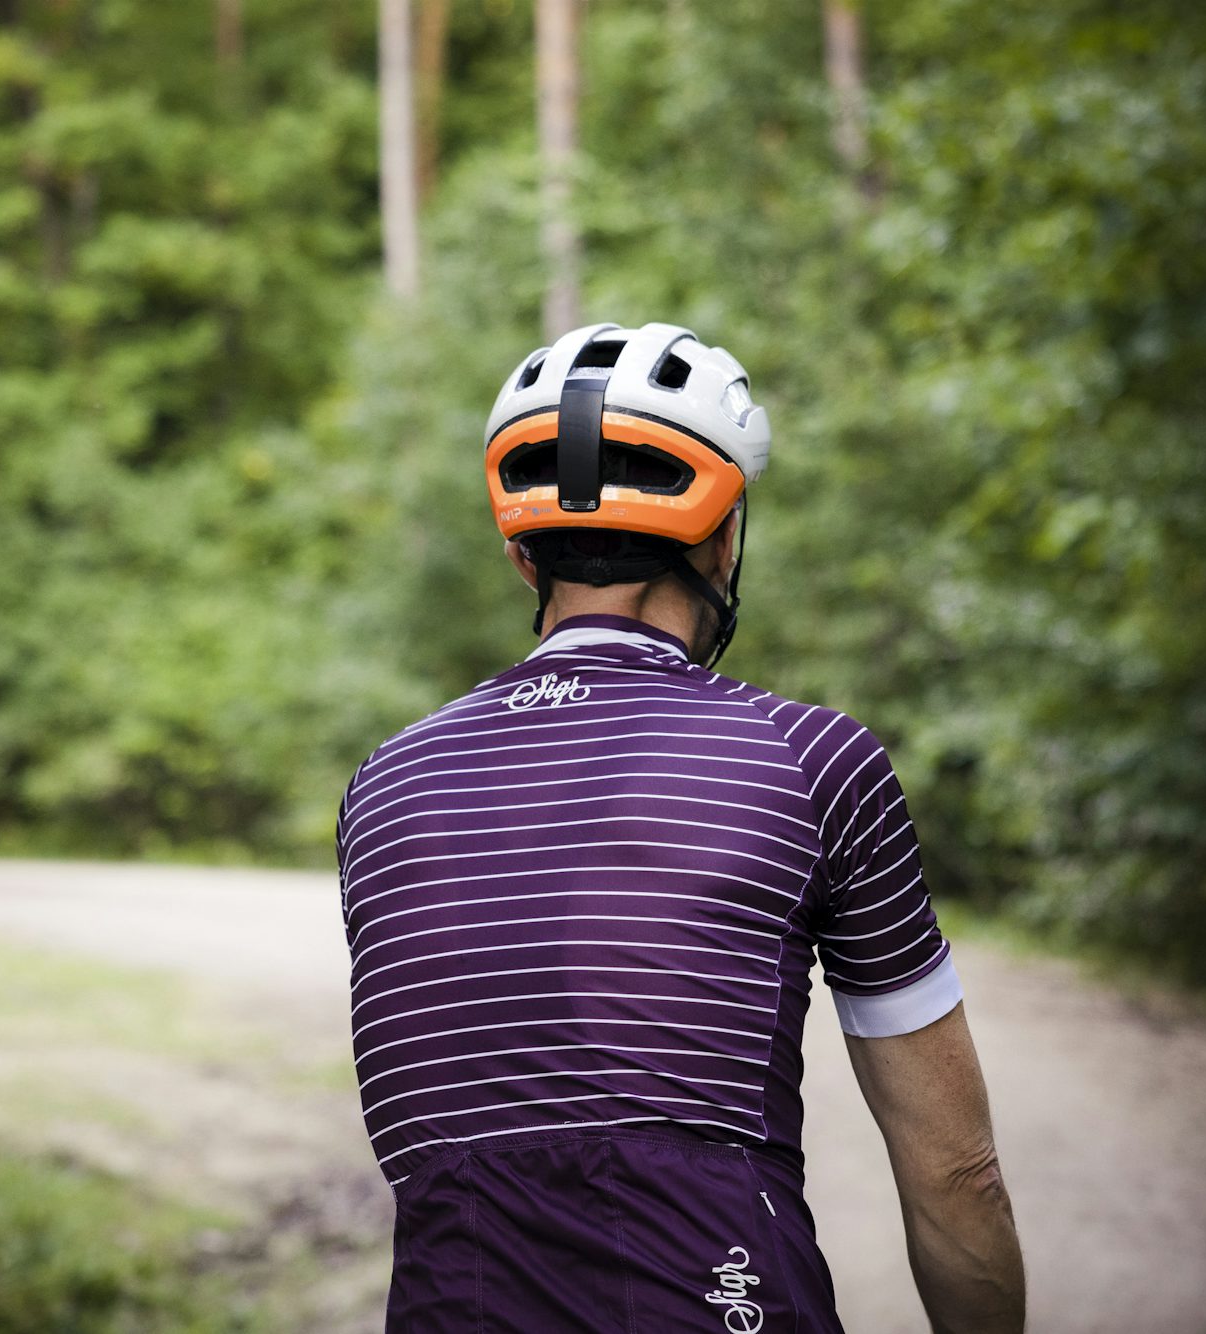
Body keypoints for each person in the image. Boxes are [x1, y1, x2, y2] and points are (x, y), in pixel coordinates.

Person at [335, 322, 1026, 1332]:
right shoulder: (811, 760)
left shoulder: (383, 785)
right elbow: (958, 1173)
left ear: (523, 555)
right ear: (720, 539)